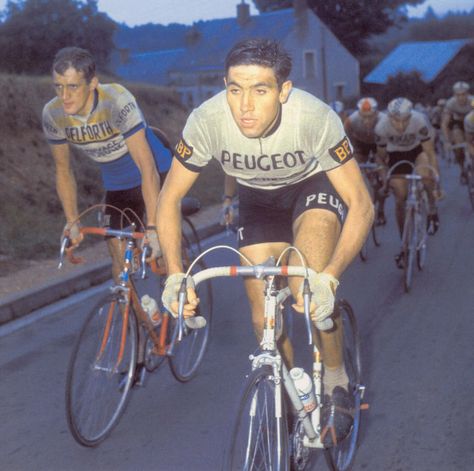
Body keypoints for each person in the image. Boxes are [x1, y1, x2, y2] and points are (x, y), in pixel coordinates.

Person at [156, 38, 374, 446]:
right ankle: (290, 394)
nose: (245, 106)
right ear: (224, 86)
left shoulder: (313, 117)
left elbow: (361, 203)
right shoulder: (207, 120)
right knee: (262, 318)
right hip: (257, 200)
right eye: (235, 89)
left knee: (306, 290)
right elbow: (169, 198)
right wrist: (173, 275)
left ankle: (335, 377)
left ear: (283, 90)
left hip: (311, 187)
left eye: (260, 90)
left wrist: (329, 276)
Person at [42, 47, 172, 281]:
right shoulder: (53, 114)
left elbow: (146, 167)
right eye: (58, 86)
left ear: (92, 84)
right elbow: (63, 170)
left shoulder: (116, 101)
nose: (64, 96)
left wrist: (153, 227)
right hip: (118, 184)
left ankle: (187, 307)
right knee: (119, 261)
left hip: (155, 171)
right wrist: (72, 220)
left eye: (72, 86)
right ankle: (133, 316)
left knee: (163, 254)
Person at [374, 97, 440, 268]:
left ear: (411, 116)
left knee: (425, 175)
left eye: (405, 120)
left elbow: (429, 152)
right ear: (389, 117)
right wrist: (384, 180)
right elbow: (380, 158)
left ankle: (432, 209)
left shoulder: (418, 120)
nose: (401, 125)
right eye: (396, 120)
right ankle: (404, 243)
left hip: (417, 152)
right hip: (396, 156)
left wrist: (436, 178)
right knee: (400, 197)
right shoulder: (381, 127)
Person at [344, 97, 387, 225]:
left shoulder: (384, 119)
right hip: (360, 145)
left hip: (378, 144)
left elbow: (387, 145)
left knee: (382, 170)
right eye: (364, 116)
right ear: (359, 113)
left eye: (370, 116)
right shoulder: (351, 120)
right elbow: (344, 139)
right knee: (356, 166)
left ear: (376, 112)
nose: (367, 120)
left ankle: (381, 208)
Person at [441, 81, 474, 183]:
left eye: (463, 94)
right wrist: (447, 141)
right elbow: (444, 124)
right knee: (458, 144)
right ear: (454, 95)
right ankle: (462, 169)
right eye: (458, 95)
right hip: (458, 125)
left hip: (471, 124)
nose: (461, 97)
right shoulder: (451, 103)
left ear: (468, 93)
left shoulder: (473, 101)